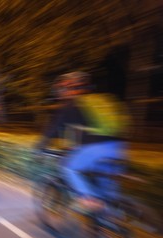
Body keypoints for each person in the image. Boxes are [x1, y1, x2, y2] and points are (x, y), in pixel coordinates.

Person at [35, 71, 129, 212]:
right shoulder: (103, 100)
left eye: (63, 89)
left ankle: (88, 199)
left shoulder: (71, 105)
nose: (62, 93)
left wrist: (40, 146)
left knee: (68, 168)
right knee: (107, 191)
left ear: (68, 89)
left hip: (94, 149)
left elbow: (54, 129)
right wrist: (76, 147)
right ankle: (114, 222)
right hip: (118, 148)